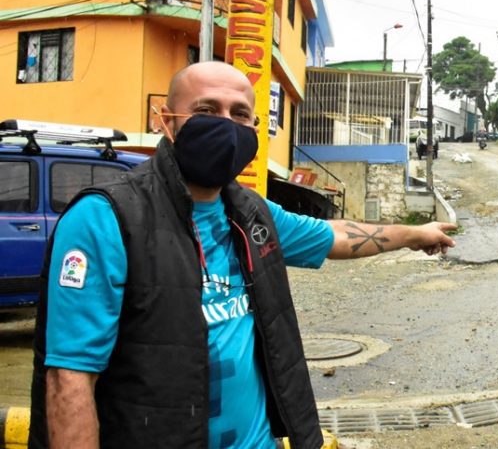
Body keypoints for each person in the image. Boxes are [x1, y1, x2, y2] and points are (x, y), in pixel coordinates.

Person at [29, 62, 456, 449]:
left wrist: (414, 234)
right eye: (206, 109)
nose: (225, 124)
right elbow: (70, 379)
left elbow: (336, 235)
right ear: (166, 121)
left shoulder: (251, 211)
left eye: (239, 114)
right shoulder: (105, 218)